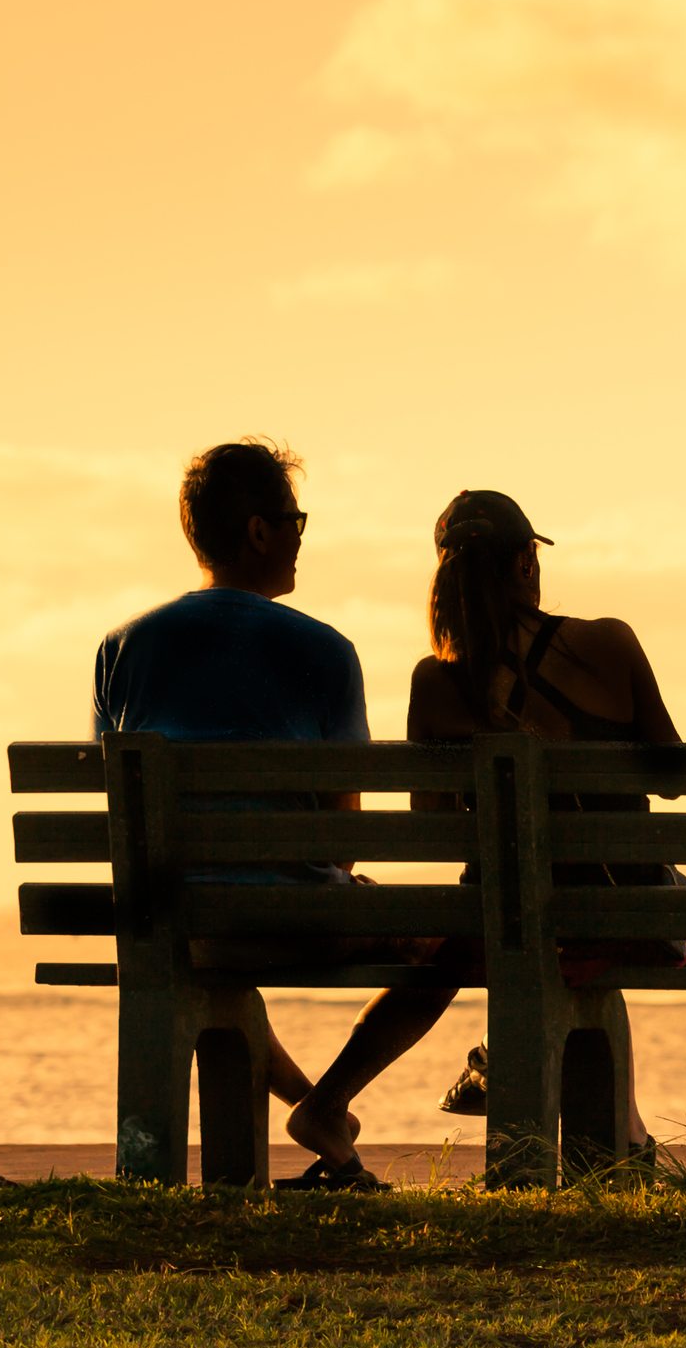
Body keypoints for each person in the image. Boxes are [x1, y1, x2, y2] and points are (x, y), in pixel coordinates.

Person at [92, 436, 442, 1189]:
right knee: (450, 938)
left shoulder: (121, 648)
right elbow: (344, 836)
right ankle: (327, 1103)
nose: (298, 538)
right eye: (295, 520)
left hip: (171, 924)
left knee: (224, 969)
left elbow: (122, 810)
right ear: (258, 530)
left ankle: (318, 1110)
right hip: (292, 920)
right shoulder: (323, 649)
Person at [407, 487, 686, 1149]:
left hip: (497, 923)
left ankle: (515, 1066)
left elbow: (429, 822)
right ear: (523, 565)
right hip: (628, 917)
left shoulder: (434, 681)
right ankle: (624, 1142)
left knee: (523, 921)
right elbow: (674, 775)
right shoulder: (609, 643)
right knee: (580, 927)